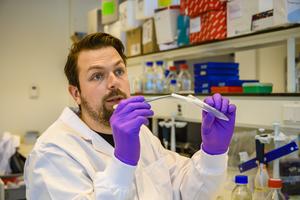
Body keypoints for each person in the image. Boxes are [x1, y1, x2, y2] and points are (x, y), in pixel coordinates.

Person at [24, 32, 237, 200]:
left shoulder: (142, 134)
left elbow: (187, 191)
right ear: (76, 93)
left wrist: (212, 153)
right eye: (97, 75)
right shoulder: (52, 154)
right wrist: (122, 162)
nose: (113, 82)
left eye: (119, 71)